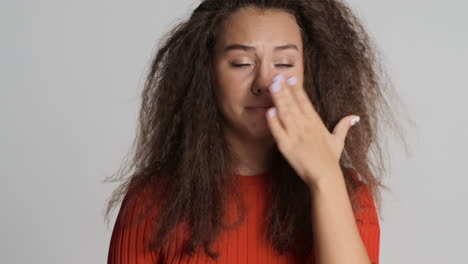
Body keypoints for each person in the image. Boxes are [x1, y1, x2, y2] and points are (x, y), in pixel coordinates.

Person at [105, 0, 407, 263]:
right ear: (206, 74)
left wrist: (326, 179)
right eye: (241, 63)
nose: (264, 82)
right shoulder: (150, 200)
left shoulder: (347, 196)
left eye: (284, 63)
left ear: (309, 73)